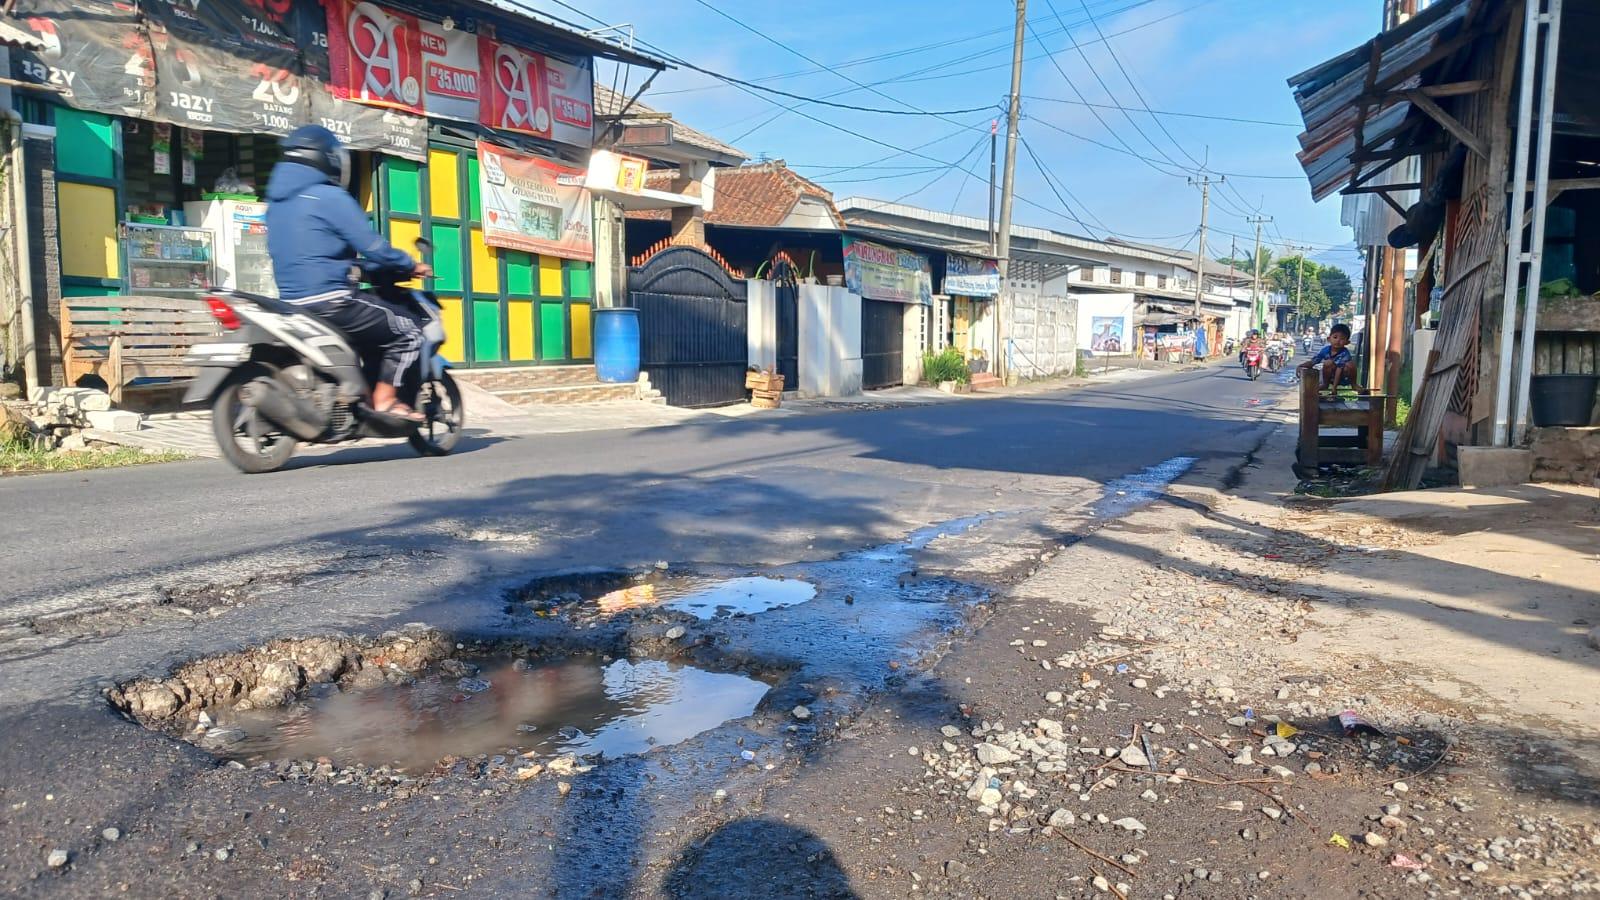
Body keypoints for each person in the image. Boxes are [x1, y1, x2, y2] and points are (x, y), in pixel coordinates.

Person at [265, 125, 433, 423]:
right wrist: (409, 264)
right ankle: (385, 400)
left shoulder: (278, 205)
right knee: (409, 331)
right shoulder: (328, 197)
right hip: (333, 301)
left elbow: (319, 256)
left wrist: (364, 269)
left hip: (292, 306)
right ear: (327, 159)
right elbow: (373, 246)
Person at [1298, 323, 1358, 393]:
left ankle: (1354, 384)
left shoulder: (1345, 353)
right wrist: (1300, 366)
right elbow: (1314, 361)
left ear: (1347, 342)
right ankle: (1325, 384)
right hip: (1330, 377)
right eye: (1335, 337)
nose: (1338, 341)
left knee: (1350, 364)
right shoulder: (1325, 350)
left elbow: (1339, 369)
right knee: (1327, 363)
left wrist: (1334, 389)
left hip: (1343, 377)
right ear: (1329, 339)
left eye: (1342, 339)